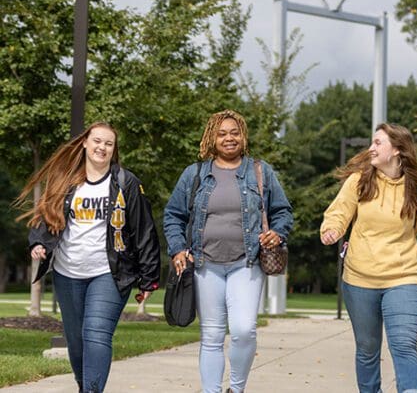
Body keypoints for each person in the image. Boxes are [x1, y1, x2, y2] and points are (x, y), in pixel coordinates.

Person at [320, 122, 417, 393]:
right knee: (368, 350)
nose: (371, 148)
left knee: (404, 345)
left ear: (397, 150)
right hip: (359, 279)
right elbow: (339, 211)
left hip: (402, 277)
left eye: (378, 143)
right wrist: (331, 229)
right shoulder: (359, 180)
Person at [16, 122, 161, 393]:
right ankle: (86, 386)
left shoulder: (125, 182)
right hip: (67, 272)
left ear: (114, 149)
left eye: (108, 143)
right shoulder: (66, 180)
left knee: (96, 334)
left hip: (109, 272)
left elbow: (144, 229)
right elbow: (46, 217)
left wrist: (149, 277)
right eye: (97, 141)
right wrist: (38, 242)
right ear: (84, 143)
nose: (101, 147)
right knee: (77, 341)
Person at [163, 109, 293, 393]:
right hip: (205, 265)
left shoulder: (260, 171)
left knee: (244, 330)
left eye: (234, 132)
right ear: (212, 138)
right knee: (211, 335)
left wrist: (277, 232)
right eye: (222, 133)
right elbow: (173, 214)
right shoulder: (195, 174)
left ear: (243, 136)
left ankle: (236, 387)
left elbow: (282, 212)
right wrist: (178, 250)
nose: (229, 138)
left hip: (246, 264)